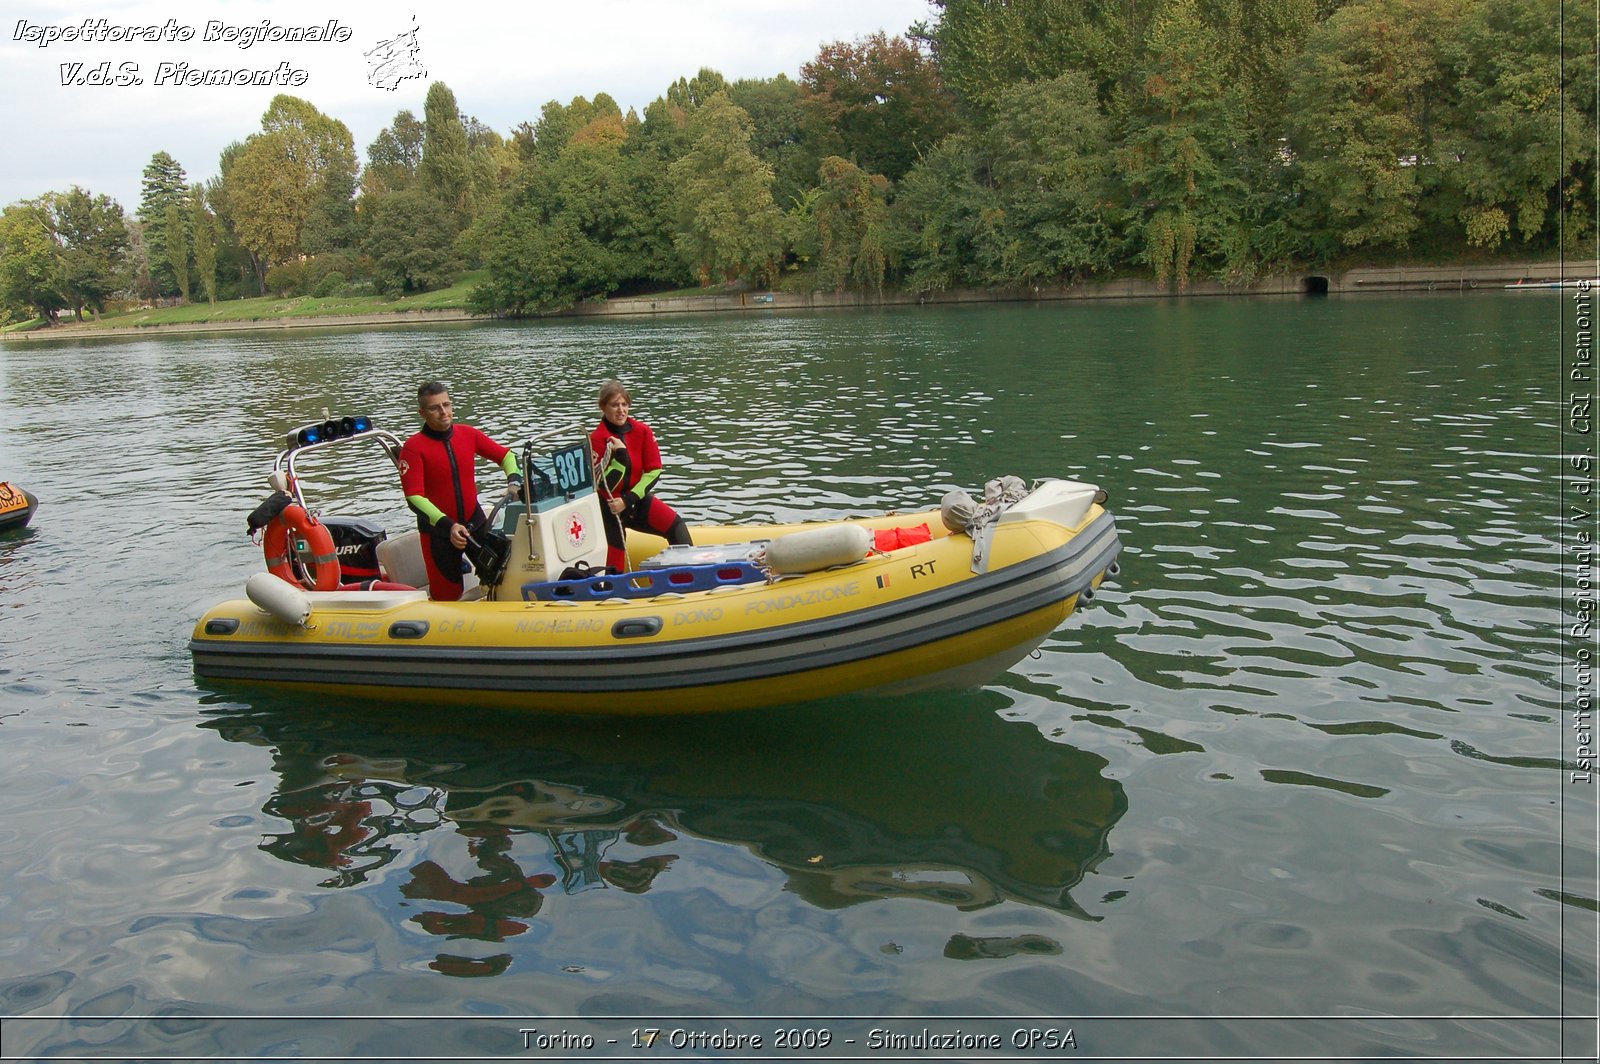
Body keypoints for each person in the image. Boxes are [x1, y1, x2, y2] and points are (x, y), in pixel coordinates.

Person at [399, 380, 521, 601]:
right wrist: (449, 525)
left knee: (502, 579)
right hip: (440, 534)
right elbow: (414, 497)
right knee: (447, 596)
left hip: (475, 523)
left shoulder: (468, 434)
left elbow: (507, 456)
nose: (443, 412)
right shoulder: (413, 448)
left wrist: (513, 481)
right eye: (435, 408)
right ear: (422, 412)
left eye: (446, 404)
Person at [589, 379, 691, 573]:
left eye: (624, 404)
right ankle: (613, 593)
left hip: (635, 499)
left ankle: (688, 577)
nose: (621, 410)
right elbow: (602, 484)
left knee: (677, 528)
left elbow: (654, 471)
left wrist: (629, 499)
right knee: (616, 558)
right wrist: (621, 457)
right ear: (603, 407)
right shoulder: (597, 439)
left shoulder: (642, 431)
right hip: (610, 509)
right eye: (614, 405)